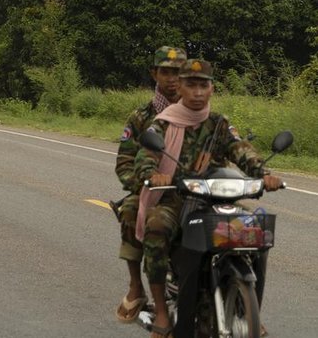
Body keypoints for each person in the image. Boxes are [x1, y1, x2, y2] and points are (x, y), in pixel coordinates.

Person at [134, 59, 282, 338]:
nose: (198, 92)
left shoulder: (219, 124)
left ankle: (249, 311)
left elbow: (242, 151)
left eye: (204, 85)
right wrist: (154, 175)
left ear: (212, 89)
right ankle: (163, 314)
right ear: (180, 87)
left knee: (255, 229)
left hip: (214, 199)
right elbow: (146, 157)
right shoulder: (163, 124)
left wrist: (265, 174)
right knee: (157, 227)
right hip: (176, 198)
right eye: (191, 85)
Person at [113, 46, 186, 323]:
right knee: (131, 209)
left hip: (195, 191)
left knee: (242, 223)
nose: (172, 79)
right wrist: (144, 185)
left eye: (178, 72)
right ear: (154, 73)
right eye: (166, 72)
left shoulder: (200, 113)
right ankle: (136, 287)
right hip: (154, 192)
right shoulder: (141, 117)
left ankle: (241, 300)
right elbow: (124, 162)